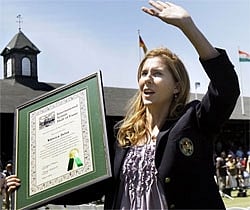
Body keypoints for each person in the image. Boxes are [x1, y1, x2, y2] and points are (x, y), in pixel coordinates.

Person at [6, 1, 240, 209]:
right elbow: (95, 187)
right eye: (143, 73)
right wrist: (32, 190)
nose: (147, 78)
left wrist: (188, 26)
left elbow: (226, 88)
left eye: (157, 73)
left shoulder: (194, 122)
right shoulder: (123, 135)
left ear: (177, 86)